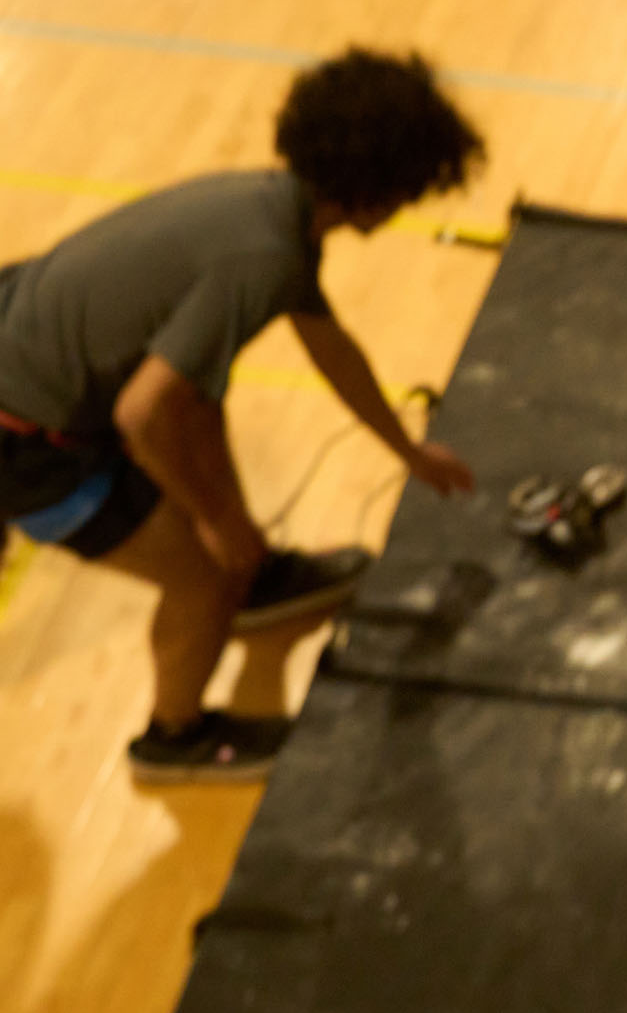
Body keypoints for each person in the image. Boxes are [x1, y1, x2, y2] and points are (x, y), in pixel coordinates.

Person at [0, 48, 483, 784]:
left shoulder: (270, 206)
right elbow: (145, 412)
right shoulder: (263, 256)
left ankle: (254, 582)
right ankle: (176, 739)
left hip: (34, 356)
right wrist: (218, 523)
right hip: (28, 444)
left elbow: (327, 343)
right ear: (382, 190)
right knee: (200, 577)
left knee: (207, 431)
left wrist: (408, 454)